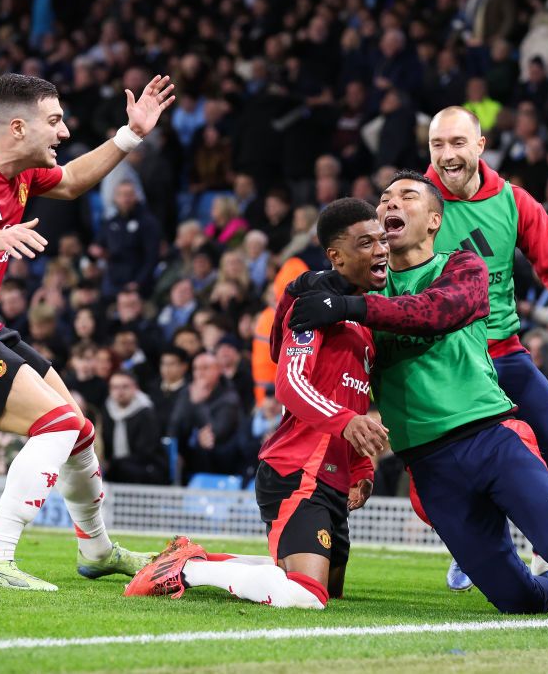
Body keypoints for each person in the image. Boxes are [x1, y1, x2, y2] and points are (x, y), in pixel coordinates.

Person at [285, 171, 548, 620]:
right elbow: (306, 304)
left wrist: (349, 305)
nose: (389, 205)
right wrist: (310, 288)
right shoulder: (366, 286)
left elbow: (435, 312)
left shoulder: (463, 267)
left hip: (488, 439)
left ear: (434, 220)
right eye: (384, 199)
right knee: (515, 599)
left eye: (406, 197)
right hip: (428, 466)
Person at [0, 72, 174, 590]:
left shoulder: (22, 172)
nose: (64, 132)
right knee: (58, 424)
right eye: (55, 121)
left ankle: (97, 551)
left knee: (79, 430)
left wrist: (130, 135)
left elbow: (69, 182)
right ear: (18, 127)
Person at [126, 198, 390, 608]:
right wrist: (346, 424)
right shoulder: (312, 308)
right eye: (366, 242)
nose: (381, 249)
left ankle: (192, 557)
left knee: (320, 587)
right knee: (307, 596)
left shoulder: (365, 323)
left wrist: (361, 466)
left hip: (333, 477)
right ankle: (189, 570)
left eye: (380, 239)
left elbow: (351, 398)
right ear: (336, 257)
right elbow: (289, 385)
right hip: (296, 469)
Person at [424, 106, 548, 588]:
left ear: (480, 146)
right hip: (449, 362)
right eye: (438, 145)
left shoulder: (514, 202)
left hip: (504, 353)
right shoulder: (413, 201)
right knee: (457, 468)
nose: (447, 155)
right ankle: (477, 547)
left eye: (458, 143)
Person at [101, 370, 166, 485]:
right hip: (118, 466)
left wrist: (113, 464)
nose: (120, 392)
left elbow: (146, 452)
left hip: (147, 467)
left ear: (135, 388)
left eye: (125, 387)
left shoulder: (146, 412)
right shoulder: (107, 410)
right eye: (115, 387)